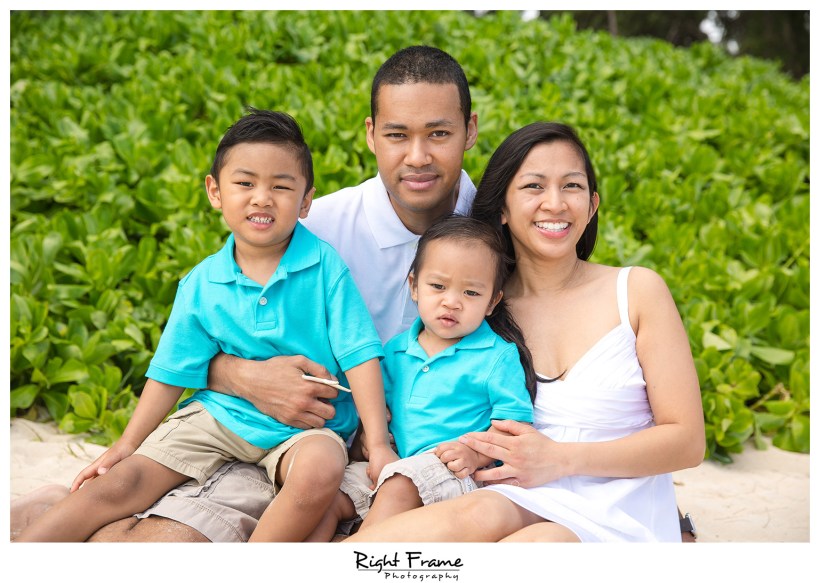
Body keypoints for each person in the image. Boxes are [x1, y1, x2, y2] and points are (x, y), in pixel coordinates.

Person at [10, 44, 479, 543]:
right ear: (371, 134)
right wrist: (245, 377)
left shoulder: (497, 237)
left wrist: (380, 441)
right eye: (397, 134)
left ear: (469, 130)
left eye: (439, 133)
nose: (417, 156)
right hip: (252, 426)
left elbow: (362, 352)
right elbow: (194, 345)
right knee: (150, 524)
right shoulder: (309, 227)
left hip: (345, 450)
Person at [344, 121, 706, 543]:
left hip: (619, 512)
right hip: (511, 498)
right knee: (473, 516)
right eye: (534, 186)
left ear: (592, 205)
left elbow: (687, 441)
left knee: (541, 546)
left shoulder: (637, 291)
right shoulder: (477, 307)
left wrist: (562, 459)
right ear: (502, 207)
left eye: (571, 186)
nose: (555, 203)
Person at [307, 215, 535, 540]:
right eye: (438, 286)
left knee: (399, 486)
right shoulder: (396, 350)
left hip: (453, 471)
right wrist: (368, 443)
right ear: (414, 286)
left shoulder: (497, 356)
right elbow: (378, 412)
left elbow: (513, 426)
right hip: (395, 460)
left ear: (492, 302)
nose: (451, 302)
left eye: (471, 292)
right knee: (331, 496)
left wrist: (476, 455)